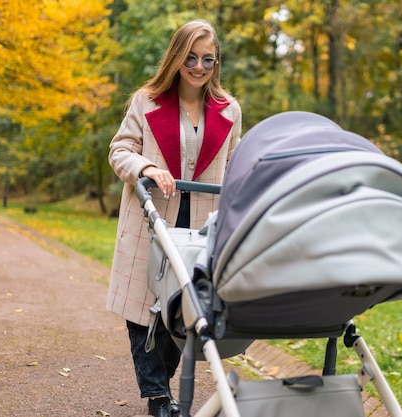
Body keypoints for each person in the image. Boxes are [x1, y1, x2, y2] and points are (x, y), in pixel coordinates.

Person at [106, 19, 241, 417]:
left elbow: (234, 164)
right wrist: (146, 168)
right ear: (177, 57)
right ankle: (158, 395)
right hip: (151, 218)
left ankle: (161, 387)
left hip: (201, 221)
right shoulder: (146, 101)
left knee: (182, 307)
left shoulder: (229, 110)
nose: (199, 67)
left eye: (208, 60)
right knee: (144, 306)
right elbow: (120, 150)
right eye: (191, 58)